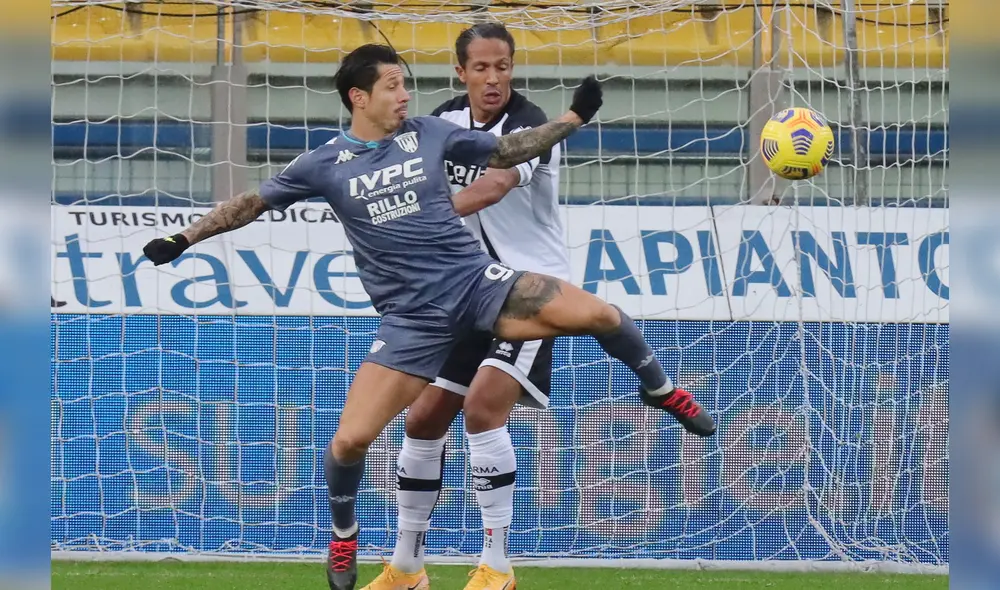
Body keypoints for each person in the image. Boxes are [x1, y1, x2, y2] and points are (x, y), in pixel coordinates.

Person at [142, 43, 716, 590]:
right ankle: (345, 537)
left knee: (598, 312)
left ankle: (660, 389)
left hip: (478, 285)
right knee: (348, 443)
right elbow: (251, 204)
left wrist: (572, 118)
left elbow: (507, 151)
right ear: (357, 97)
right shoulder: (322, 164)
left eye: (406, 84)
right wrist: (185, 236)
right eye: (392, 86)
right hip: (412, 322)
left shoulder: (431, 133)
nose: (404, 96)